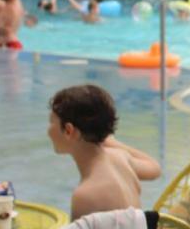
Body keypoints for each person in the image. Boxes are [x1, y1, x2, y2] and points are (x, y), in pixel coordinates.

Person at [47, 85, 161, 220]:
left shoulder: (85, 195)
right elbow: (155, 169)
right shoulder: (120, 157)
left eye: (51, 123)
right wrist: (110, 141)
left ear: (68, 131)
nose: (48, 131)